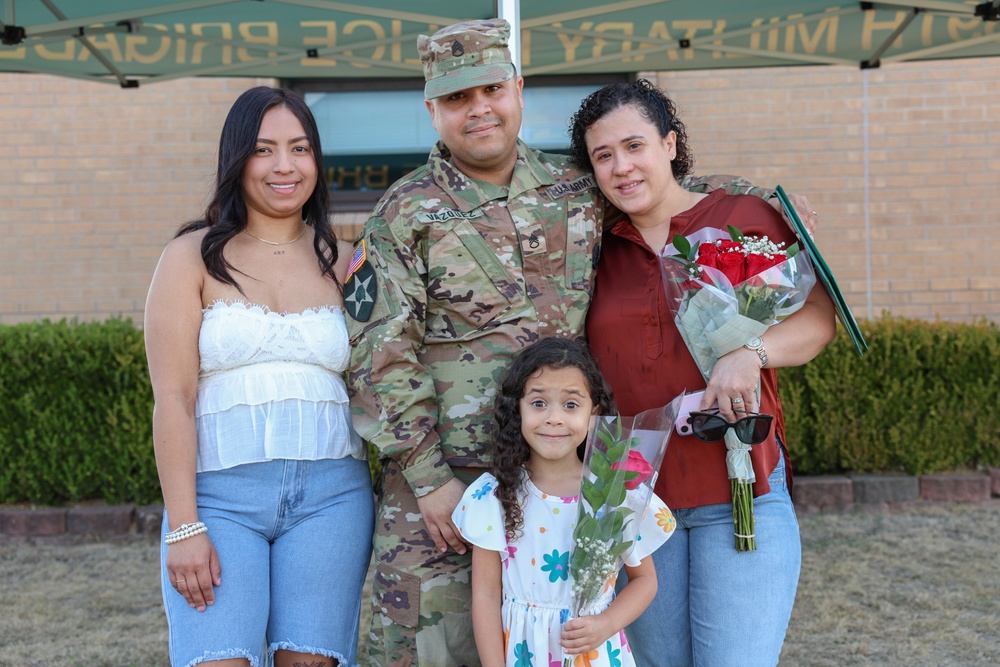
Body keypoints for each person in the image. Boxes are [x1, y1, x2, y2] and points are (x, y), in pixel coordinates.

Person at [345, 17, 817, 667]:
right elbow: (377, 353)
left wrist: (769, 206)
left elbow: (663, 193)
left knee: (562, 645)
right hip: (446, 489)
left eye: (490, 89)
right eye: (457, 97)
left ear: (517, 89)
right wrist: (428, 481)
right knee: (429, 648)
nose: (478, 109)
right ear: (432, 110)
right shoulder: (401, 214)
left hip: (566, 488)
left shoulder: (575, 193)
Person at [568, 79, 837, 666]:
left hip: (738, 489)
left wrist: (753, 351)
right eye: (603, 156)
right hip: (631, 500)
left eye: (634, 146)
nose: (621, 167)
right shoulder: (591, 248)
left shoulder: (743, 218)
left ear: (669, 144)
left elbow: (818, 318)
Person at [144, 86, 374, 667]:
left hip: (332, 498)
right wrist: (183, 525)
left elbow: (383, 379)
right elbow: (173, 397)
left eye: (299, 149)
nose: (283, 166)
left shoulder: (349, 261)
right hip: (219, 500)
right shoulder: (189, 257)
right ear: (236, 158)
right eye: (264, 149)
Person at [451, 336, 675, 667]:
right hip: (524, 654)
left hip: (595, 654)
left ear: (593, 412)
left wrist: (606, 624)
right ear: (518, 408)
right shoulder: (497, 495)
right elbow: (485, 595)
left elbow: (645, 581)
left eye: (571, 405)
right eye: (539, 403)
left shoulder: (613, 493)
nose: (554, 418)